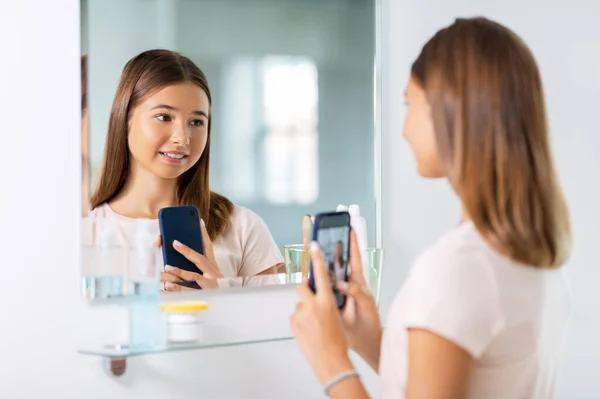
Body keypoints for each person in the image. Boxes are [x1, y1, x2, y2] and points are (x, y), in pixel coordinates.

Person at [291, 17, 572, 399]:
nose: (404, 128)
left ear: (451, 109)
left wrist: (331, 364)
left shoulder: (457, 268)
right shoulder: (532, 258)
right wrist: (374, 340)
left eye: (410, 103)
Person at [88, 49, 283, 290]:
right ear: (125, 119)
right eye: (164, 117)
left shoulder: (243, 228)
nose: (182, 138)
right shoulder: (87, 232)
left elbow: (274, 326)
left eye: (196, 122)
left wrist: (219, 297)